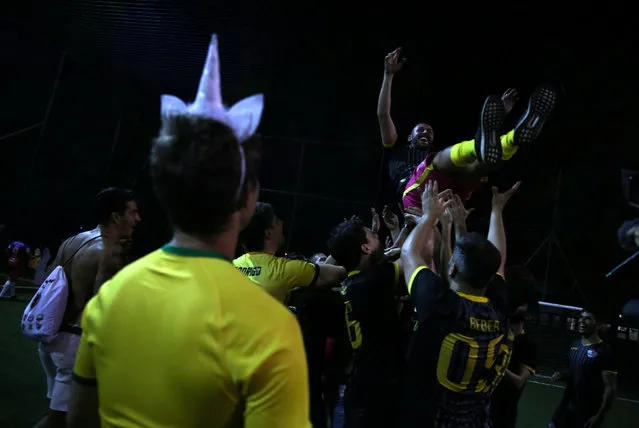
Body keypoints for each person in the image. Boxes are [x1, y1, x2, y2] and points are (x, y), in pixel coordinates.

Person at [67, 34, 311, 428]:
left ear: (162, 188)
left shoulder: (109, 298)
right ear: (248, 199)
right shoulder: (271, 327)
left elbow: (79, 420)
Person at [399, 180, 519, 427]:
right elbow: (497, 258)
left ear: (452, 269)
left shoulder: (439, 303)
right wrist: (495, 210)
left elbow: (409, 253)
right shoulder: (498, 306)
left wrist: (428, 216)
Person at [377, 47, 556, 212]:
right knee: (438, 161)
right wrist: (388, 75)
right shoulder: (397, 148)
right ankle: (505, 141)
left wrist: (499, 115)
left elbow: (482, 151)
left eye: (430, 131)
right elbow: (383, 115)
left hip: (452, 196)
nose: (426, 132)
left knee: (478, 164)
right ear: (409, 137)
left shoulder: (440, 156)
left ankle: (514, 139)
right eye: (421, 130)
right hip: (416, 195)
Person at [33, 187, 140, 428]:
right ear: (116, 216)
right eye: (132, 213)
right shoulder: (110, 253)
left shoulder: (72, 241)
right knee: (62, 421)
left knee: (59, 417)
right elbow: (103, 309)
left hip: (50, 339)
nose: (137, 219)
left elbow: (53, 283)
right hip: (73, 345)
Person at [326, 216, 407, 428]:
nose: (377, 236)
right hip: (376, 394)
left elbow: (391, 256)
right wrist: (428, 218)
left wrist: (406, 227)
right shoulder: (373, 280)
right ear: (365, 248)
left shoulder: (354, 282)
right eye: (372, 235)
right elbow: (412, 256)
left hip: (361, 387)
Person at [234, 202, 346, 303]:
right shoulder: (283, 269)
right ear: (268, 233)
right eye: (276, 221)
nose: (281, 223)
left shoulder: (229, 266)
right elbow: (336, 274)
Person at [550, 309, 618, 428]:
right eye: (581, 317)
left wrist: (599, 415)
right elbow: (576, 375)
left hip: (587, 412)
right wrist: (562, 375)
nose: (582, 321)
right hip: (566, 407)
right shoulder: (575, 345)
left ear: (598, 325)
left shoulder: (604, 351)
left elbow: (610, 388)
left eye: (588, 318)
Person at [490, 266, 540, 428]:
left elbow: (519, 381)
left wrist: (496, 363)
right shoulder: (494, 333)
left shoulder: (528, 345)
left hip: (502, 418)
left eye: (521, 303)